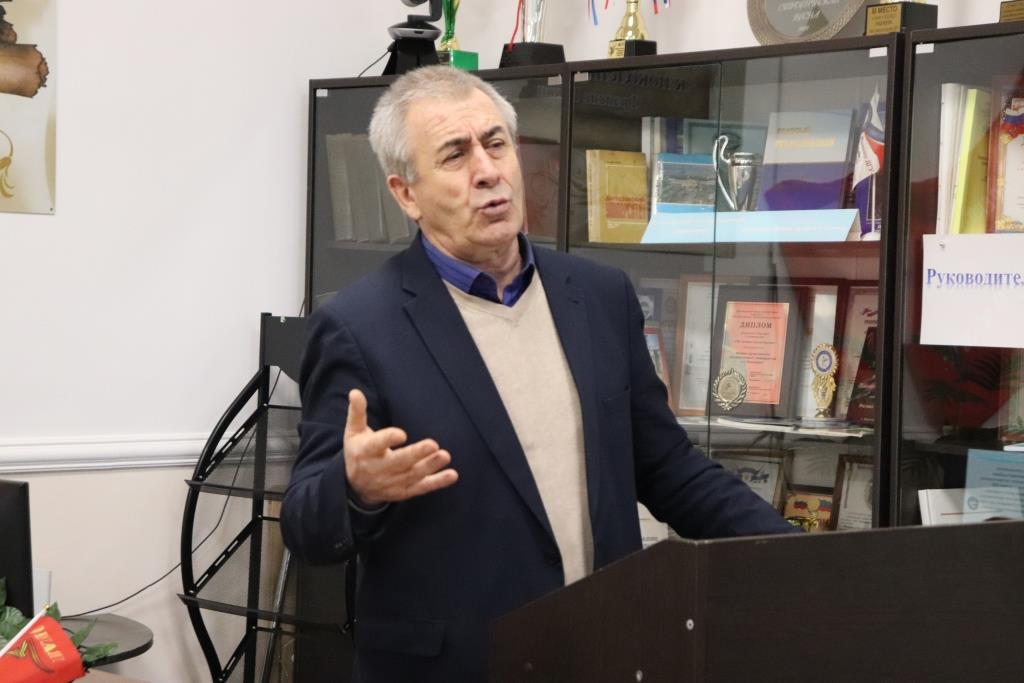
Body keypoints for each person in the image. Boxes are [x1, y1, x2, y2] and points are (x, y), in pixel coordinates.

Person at [281, 64, 797, 683]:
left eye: (496, 143)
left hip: (604, 653)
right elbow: (304, 526)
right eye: (454, 155)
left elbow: (668, 469)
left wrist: (797, 555)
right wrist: (355, 487)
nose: (487, 171)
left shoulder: (600, 296)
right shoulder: (357, 326)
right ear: (406, 194)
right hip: (458, 668)